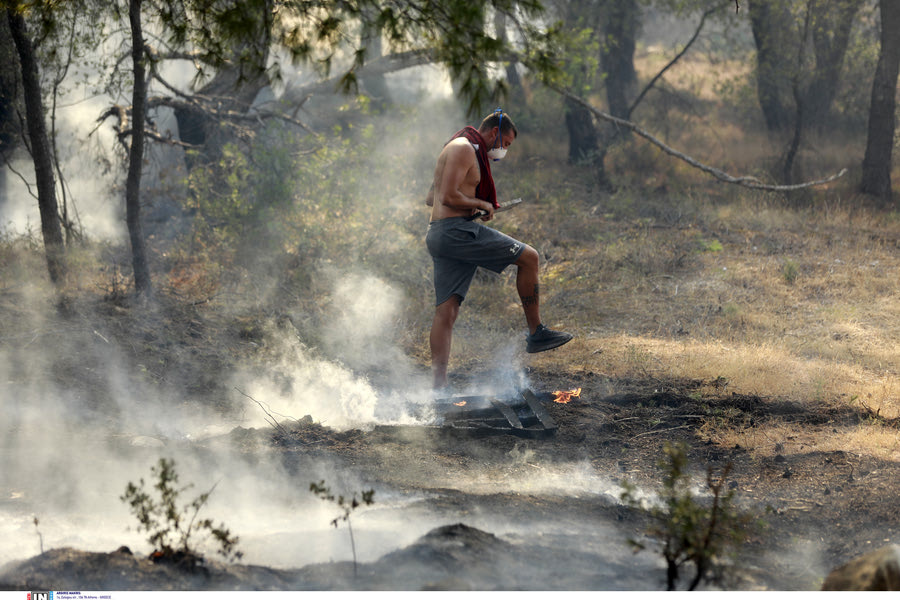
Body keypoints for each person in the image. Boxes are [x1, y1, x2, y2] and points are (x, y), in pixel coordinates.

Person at [424, 109, 573, 390]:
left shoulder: (455, 146)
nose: (504, 150)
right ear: (494, 133)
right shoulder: (465, 149)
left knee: (447, 312)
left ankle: (438, 389)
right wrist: (482, 204)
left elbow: (431, 197)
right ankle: (536, 332)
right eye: (506, 144)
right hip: (456, 233)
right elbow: (444, 196)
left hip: (445, 233)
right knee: (529, 257)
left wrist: (473, 206)